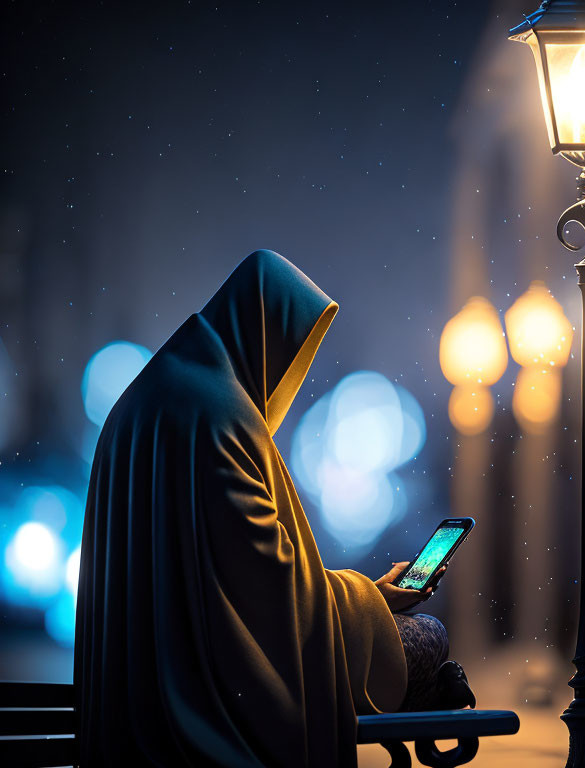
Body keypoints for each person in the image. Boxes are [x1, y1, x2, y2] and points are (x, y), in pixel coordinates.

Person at [75, 250, 473, 768]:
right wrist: (363, 601)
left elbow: (237, 575)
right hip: (213, 690)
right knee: (430, 639)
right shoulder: (219, 416)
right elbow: (270, 593)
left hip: (142, 681)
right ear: (264, 334)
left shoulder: (159, 394)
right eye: (289, 351)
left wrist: (371, 596)